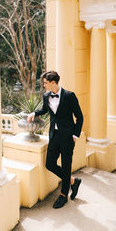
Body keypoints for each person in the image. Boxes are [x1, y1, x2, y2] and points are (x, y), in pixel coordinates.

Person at [28, 71, 83, 209]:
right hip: (54, 135)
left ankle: (63, 195)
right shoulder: (46, 95)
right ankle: (72, 181)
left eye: (45, 83)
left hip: (68, 137)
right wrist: (34, 113)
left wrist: (75, 135)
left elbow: (79, 116)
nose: (44, 85)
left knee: (66, 165)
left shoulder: (69, 96)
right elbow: (45, 110)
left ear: (53, 82)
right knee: (50, 164)